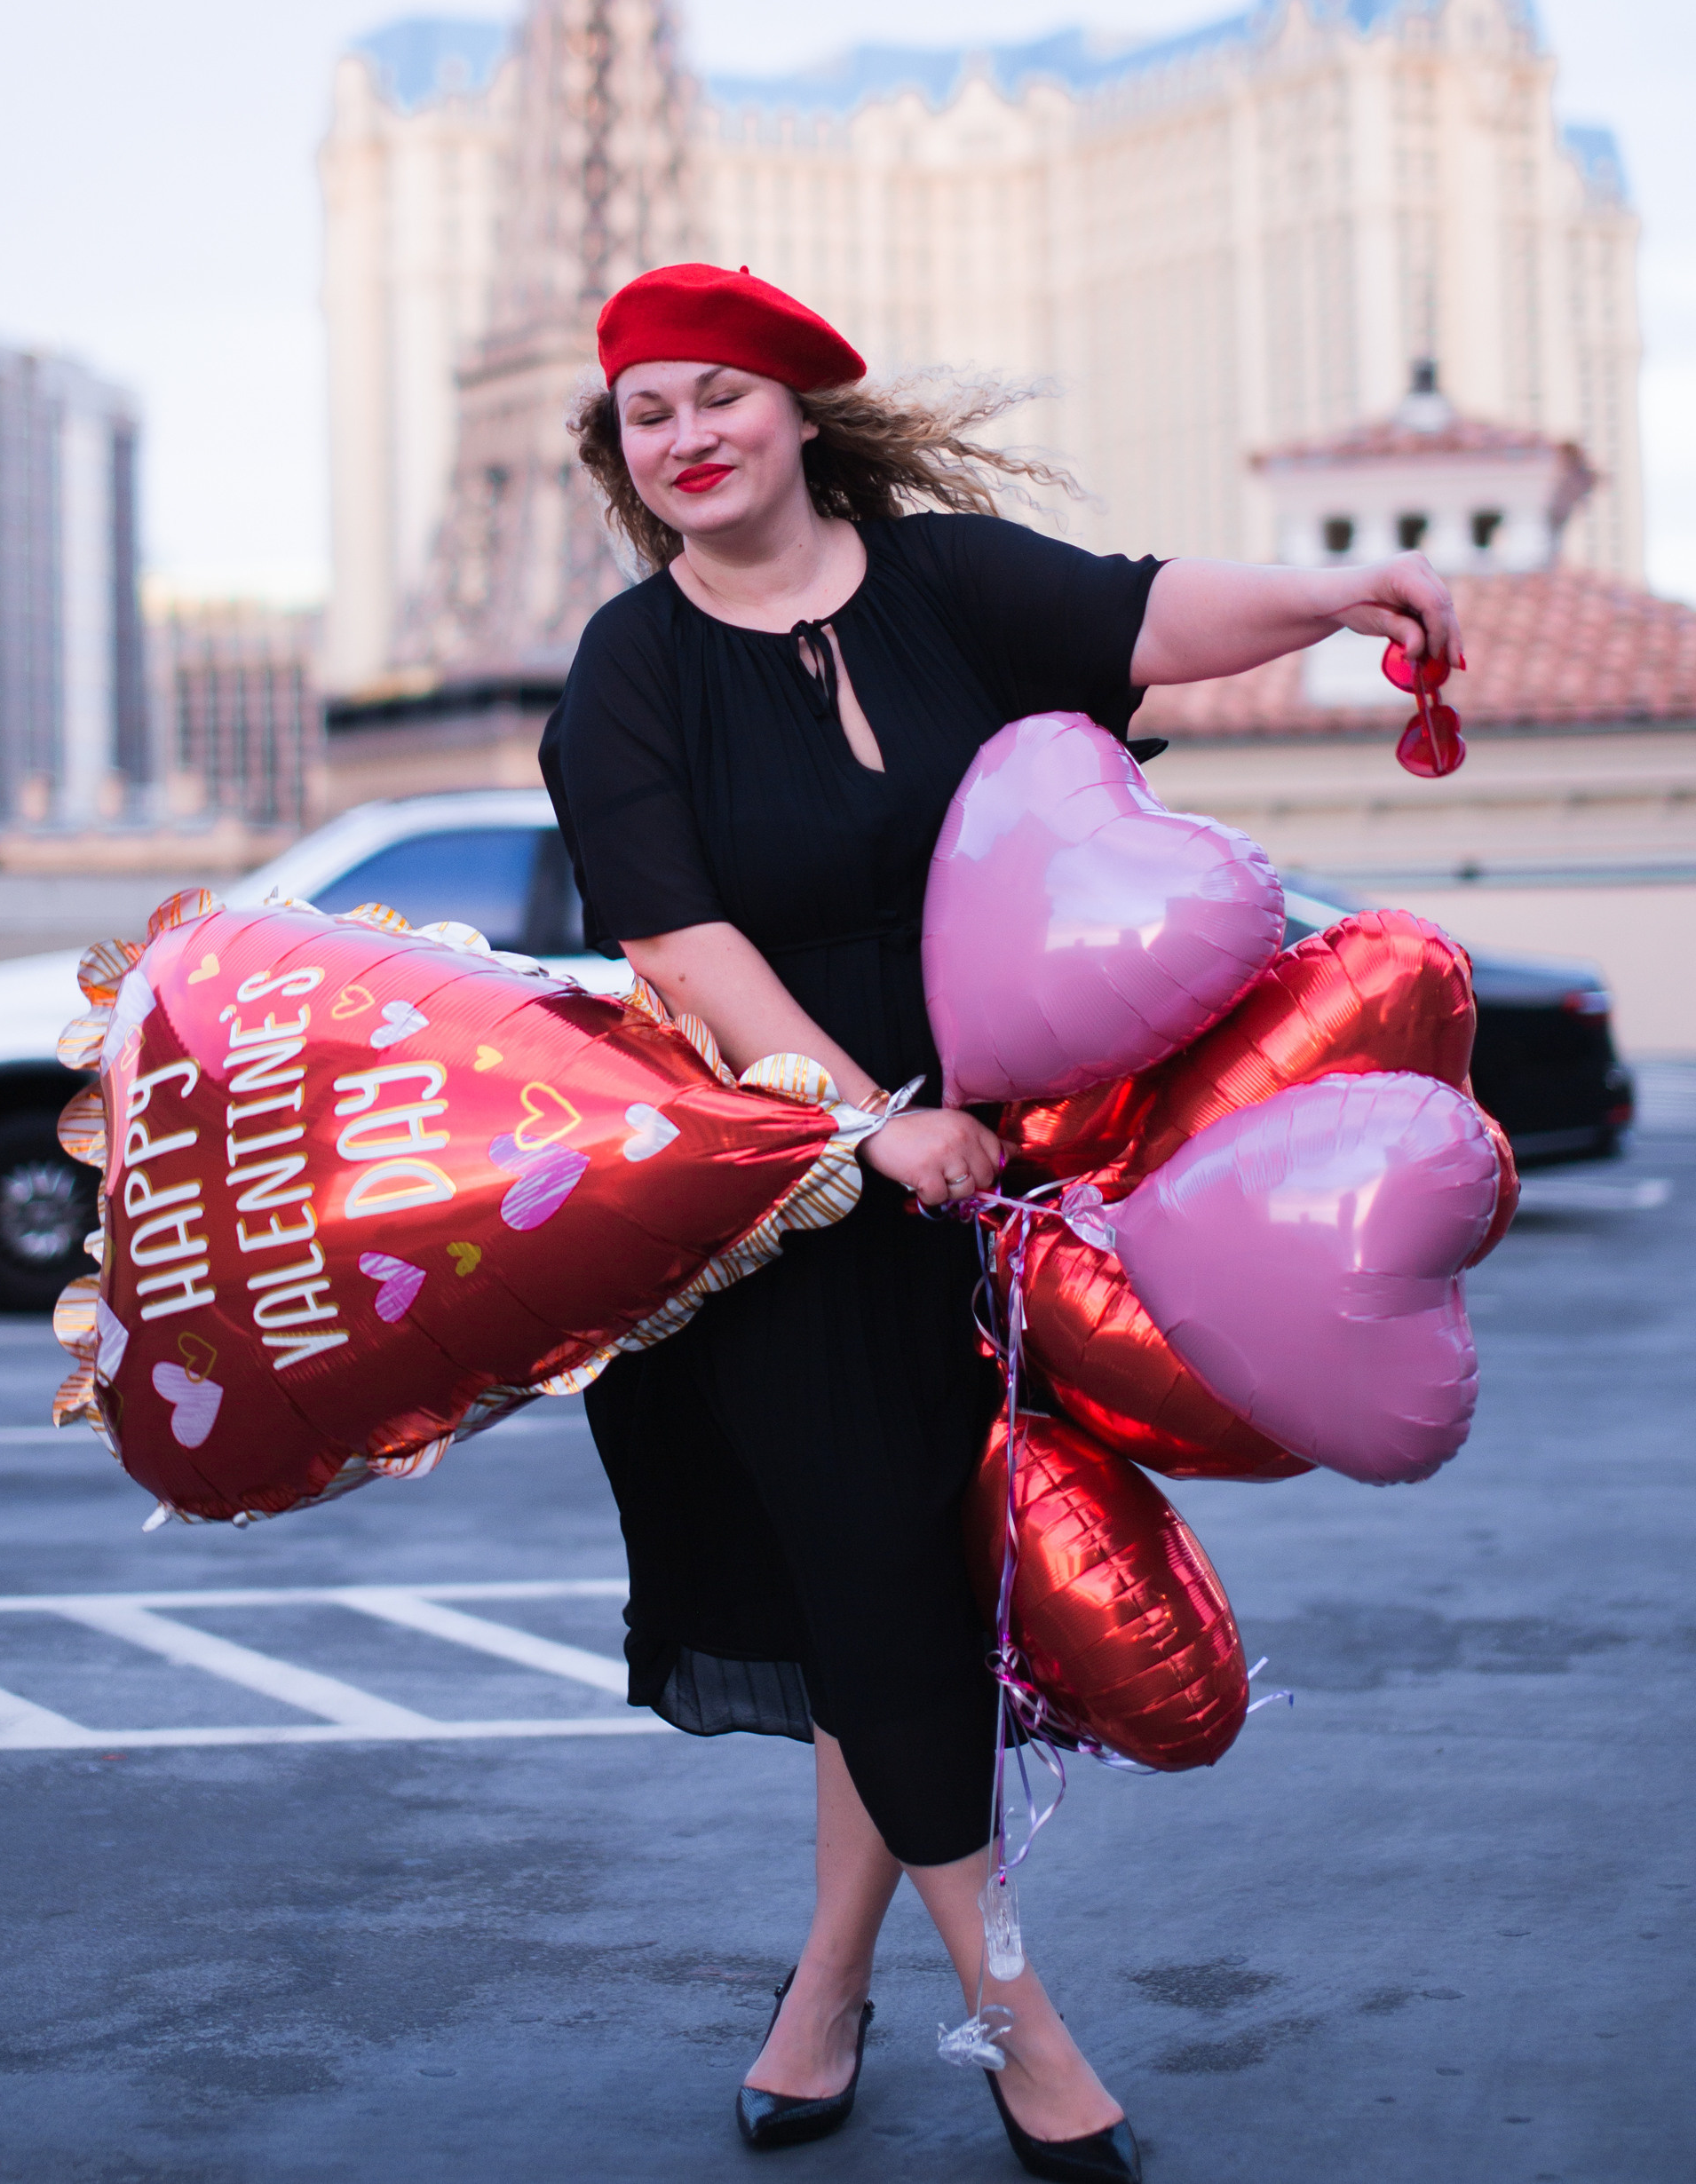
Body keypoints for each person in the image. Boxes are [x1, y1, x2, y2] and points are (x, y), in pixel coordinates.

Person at [540, 263, 1462, 2177]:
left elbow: (1138, 613)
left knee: (903, 1596)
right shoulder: (631, 666)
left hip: (1010, 1171)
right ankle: (1020, 2024)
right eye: (647, 413)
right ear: (621, 456)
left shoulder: (944, 584)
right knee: (879, 1577)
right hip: (779, 1199)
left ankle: (820, 1993)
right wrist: (864, 1122)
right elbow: (673, 937)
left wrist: (1333, 594)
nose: (687, 435)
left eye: (720, 396)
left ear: (798, 411)